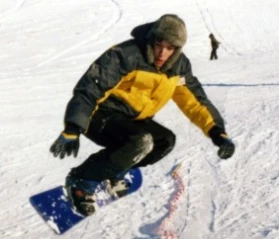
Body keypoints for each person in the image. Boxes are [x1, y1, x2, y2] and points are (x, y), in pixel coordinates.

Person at [50, 14, 235, 216]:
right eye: (159, 44)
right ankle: (82, 180)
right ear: (151, 40)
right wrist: (73, 127)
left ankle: (113, 172)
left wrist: (218, 132)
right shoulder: (125, 55)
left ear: (178, 49)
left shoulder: (179, 68)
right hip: (99, 115)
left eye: (170, 48)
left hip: (130, 120)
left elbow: (197, 102)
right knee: (141, 141)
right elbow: (90, 88)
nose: (162, 53)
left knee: (164, 141)